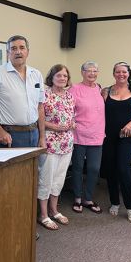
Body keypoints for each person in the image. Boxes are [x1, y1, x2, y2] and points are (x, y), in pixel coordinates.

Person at [0, 35, 45, 149]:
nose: (18, 52)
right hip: (9, 135)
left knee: (33, 167)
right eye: (13, 48)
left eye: (22, 48)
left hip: (34, 133)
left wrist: (42, 137)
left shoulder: (36, 74)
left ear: (27, 52)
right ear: (8, 52)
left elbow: (40, 107)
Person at [101, 62, 131, 223]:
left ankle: (130, 206)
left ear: (129, 74)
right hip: (109, 136)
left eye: (124, 72)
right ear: (114, 74)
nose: (121, 74)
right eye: (118, 72)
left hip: (129, 136)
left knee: (123, 168)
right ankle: (114, 202)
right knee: (111, 170)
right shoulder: (106, 91)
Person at [37, 64, 75, 230]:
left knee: (59, 179)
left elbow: (71, 116)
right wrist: (53, 127)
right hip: (50, 142)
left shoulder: (69, 96)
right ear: (51, 77)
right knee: (46, 179)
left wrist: (72, 123)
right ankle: (43, 215)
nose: (62, 78)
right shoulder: (44, 95)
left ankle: (54, 210)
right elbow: (38, 120)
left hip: (67, 143)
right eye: (59, 75)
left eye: (65, 76)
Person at [69, 61, 105, 214]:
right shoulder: (75, 89)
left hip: (97, 134)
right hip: (79, 134)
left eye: (95, 71)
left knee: (94, 168)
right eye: (88, 70)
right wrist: (71, 121)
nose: (92, 73)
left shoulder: (100, 89)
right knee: (77, 167)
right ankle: (77, 197)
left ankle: (88, 198)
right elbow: (67, 108)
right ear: (82, 72)